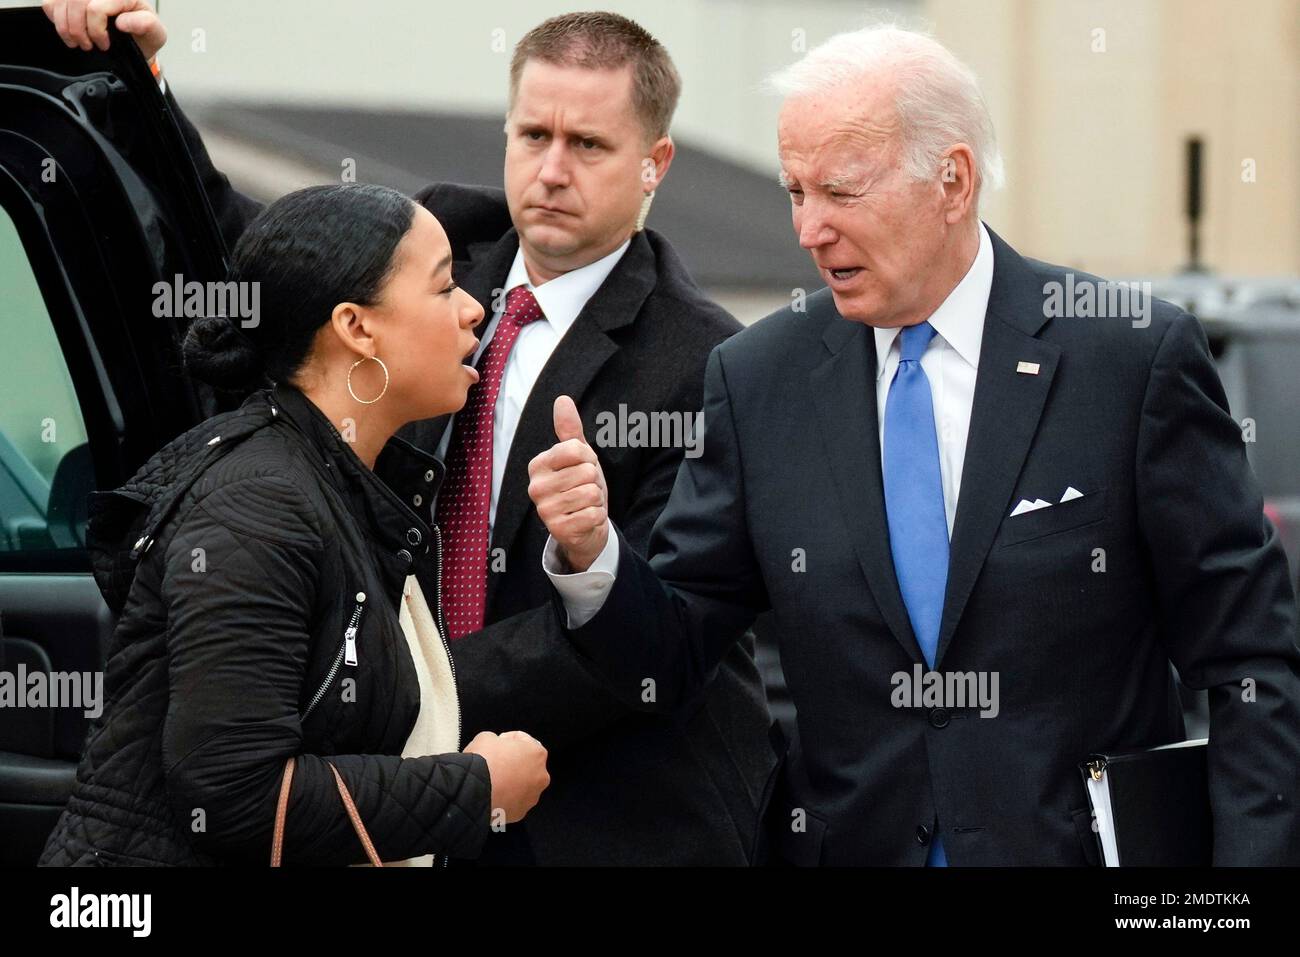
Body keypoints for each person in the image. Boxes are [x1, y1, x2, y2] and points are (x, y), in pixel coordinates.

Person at [527, 24, 1300, 866]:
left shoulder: (1126, 359)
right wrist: (596, 555)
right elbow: (673, 651)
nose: (808, 229)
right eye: (795, 190)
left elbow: (1251, 660)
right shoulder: (758, 378)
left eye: (841, 192)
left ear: (953, 181)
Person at [44, 2, 775, 865]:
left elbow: (668, 636)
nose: (550, 169)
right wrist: (141, 79)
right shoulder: (438, 242)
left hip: (608, 816)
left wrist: (396, 689)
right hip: (400, 799)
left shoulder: (711, 359)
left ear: (655, 163)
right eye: (532, 134)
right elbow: (258, 254)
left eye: (588, 145)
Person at [40, 184, 550, 866]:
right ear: (355, 326)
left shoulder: (341, 485)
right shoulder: (261, 503)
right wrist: (476, 788)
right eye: (442, 287)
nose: (472, 309)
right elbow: (235, 795)